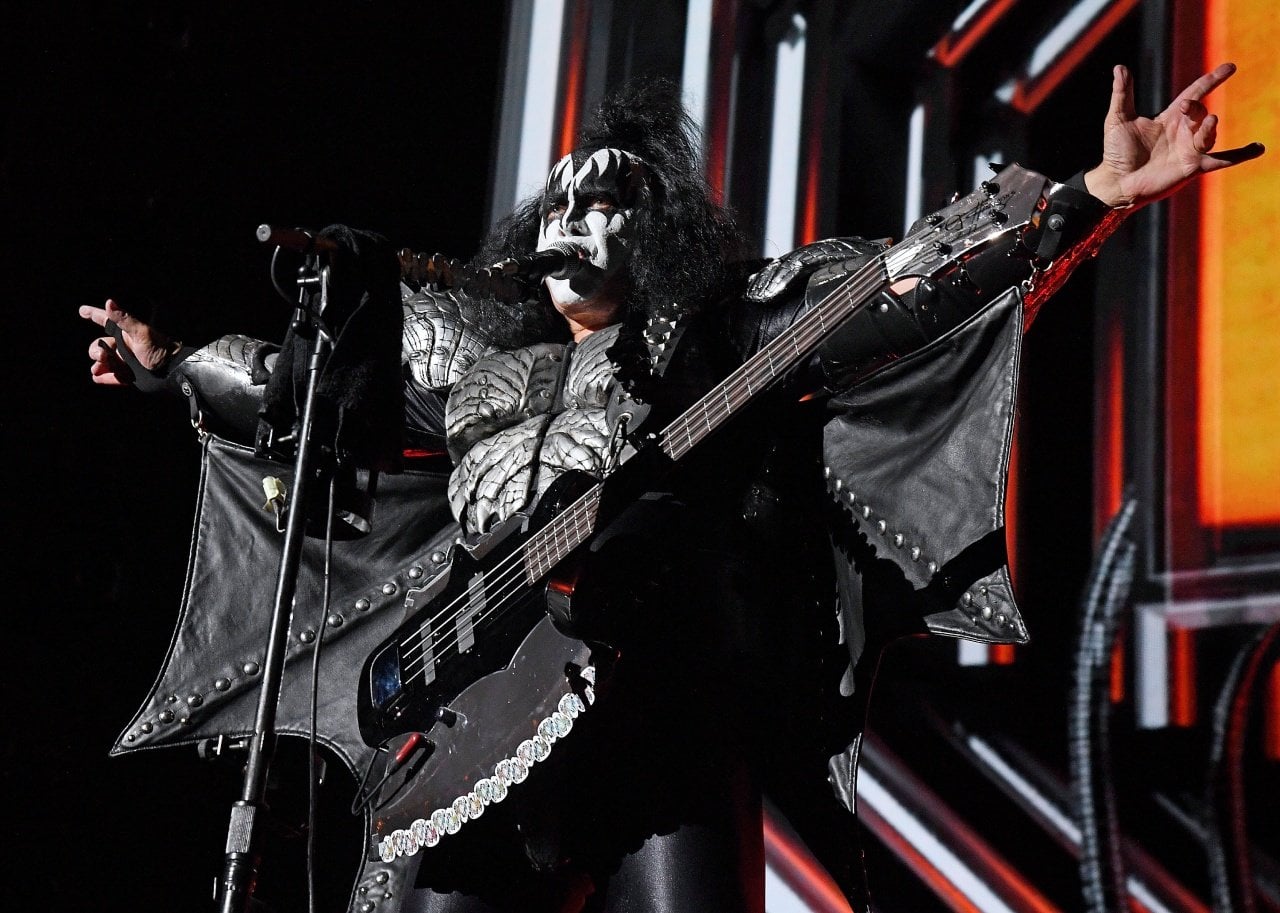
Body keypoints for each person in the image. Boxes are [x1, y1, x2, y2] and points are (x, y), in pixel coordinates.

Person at [82, 64, 1262, 913]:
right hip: (456, 727)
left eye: (611, 200)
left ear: (655, 235)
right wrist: (168, 365)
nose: (580, 216)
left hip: (661, 712)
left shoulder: (715, 331)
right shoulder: (476, 361)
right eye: (565, 200)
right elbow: (298, 390)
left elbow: (896, 288)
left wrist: (1080, 200)